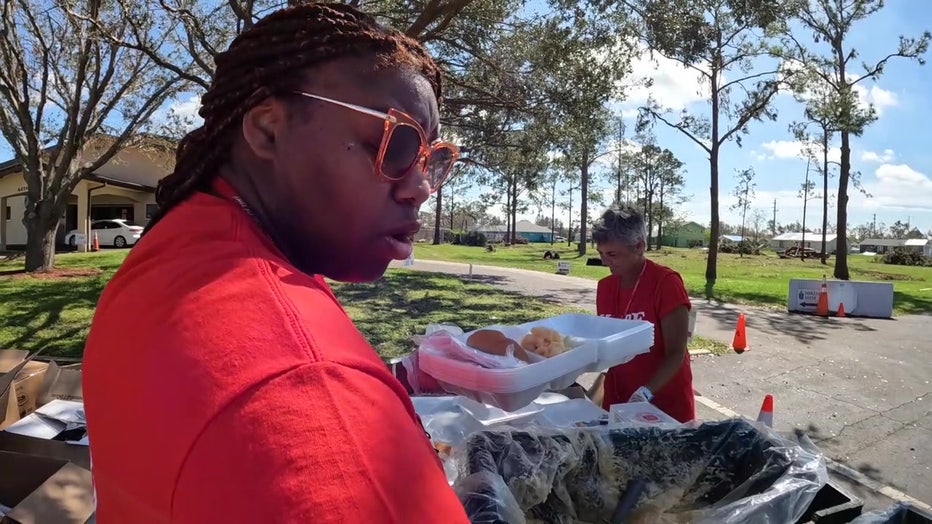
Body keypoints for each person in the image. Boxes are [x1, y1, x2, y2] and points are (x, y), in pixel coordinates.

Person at [82, 3, 469, 522]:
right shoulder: (309, 395)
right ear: (268, 130)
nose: (420, 187)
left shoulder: (174, 251)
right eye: (397, 143)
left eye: (431, 159)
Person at [586, 206, 695, 423]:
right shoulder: (605, 286)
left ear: (639, 246)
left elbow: (676, 352)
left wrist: (645, 392)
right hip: (617, 401)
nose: (605, 261)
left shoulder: (665, 283)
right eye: (601, 254)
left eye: (612, 254)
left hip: (662, 405)